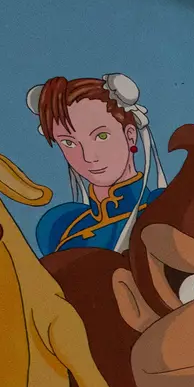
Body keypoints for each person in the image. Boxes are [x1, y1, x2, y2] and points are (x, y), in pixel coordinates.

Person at [25, 74, 166, 254]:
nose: (88, 157)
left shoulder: (164, 206)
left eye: (101, 136)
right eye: (69, 143)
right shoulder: (61, 228)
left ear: (130, 135)